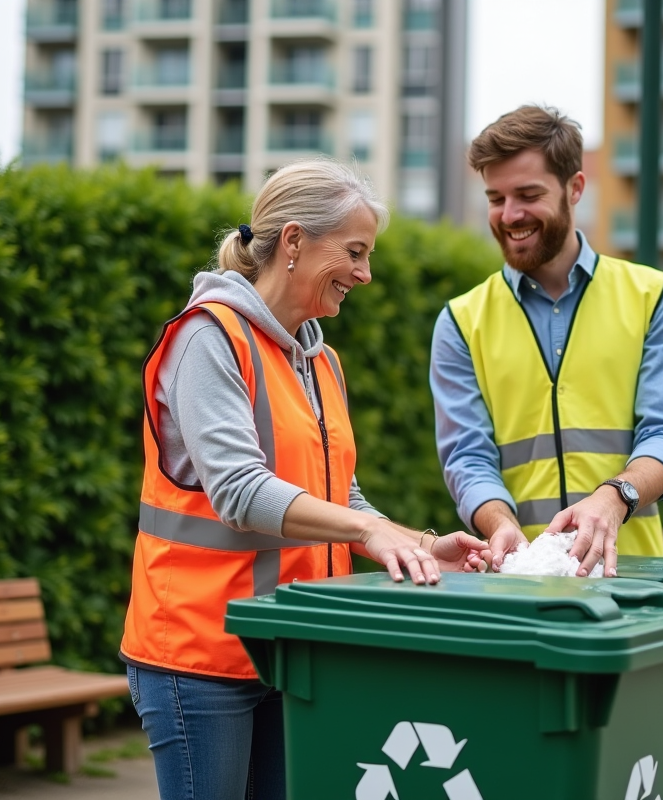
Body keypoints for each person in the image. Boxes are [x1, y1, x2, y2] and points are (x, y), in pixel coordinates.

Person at [121, 157, 487, 800]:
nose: (365, 274)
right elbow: (239, 489)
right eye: (354, 251)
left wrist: (424, 546)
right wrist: (370, 530)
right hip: (203, 653)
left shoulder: (321, 361)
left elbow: (336, 493)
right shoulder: (208, 338)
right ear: (293, 241)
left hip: (294, 647)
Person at [431, 105, 663, 578]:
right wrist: (499, 522)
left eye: (528, 194)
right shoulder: (460, 320)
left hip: (632, 579)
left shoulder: (652, 297)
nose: (510, 215)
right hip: (515, 582)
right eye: (496, 198)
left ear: (575, 188)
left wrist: (616, 497)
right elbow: (467, 456)